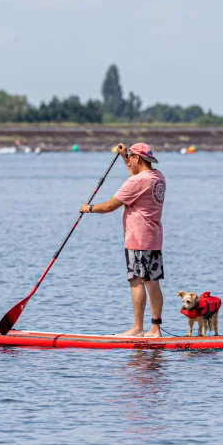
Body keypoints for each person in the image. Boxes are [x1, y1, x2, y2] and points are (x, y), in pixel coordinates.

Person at [80, 143, 166, 337]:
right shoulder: (158, 177)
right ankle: (156, 328)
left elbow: (110, 206)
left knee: (136, 281)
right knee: (152, 282)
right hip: (153, 237)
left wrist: (89, 208)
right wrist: (124, 157)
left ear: (137, 158)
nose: (129, 160)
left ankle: (137, 328)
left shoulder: (136, 183)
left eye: (131, 157)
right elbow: (136, 179)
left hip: (137, 238)